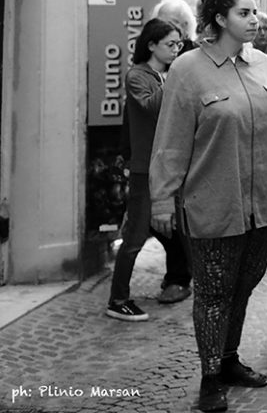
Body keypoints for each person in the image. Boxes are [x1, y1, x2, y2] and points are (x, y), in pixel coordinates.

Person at [150, 0, 267, 413]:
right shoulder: (188, 69)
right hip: (212, 203)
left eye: (254, 12)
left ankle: (228, 360)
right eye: (243, 13)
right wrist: (160, 198)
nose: (254, 19)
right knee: (212, 294)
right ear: (218, 19)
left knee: (243, 287)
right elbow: (171, 139)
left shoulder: (265, 65)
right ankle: (210, 377)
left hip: (262, 208)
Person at [106, 18, 192, 322]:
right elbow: (154, 107)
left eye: (179, 44)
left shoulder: (167, 74)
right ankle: (117, 299)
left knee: (181, 228)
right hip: (146, 168)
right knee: (135, 236)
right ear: (152, 45)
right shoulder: (138, 76)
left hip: (172, 166)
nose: (176, 50)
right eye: (170, 44)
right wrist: (174, 77)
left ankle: (183, 279)